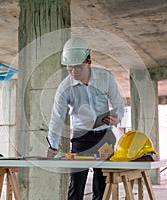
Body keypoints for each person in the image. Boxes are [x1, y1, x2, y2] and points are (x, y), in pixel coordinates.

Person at [47, 37, 125, 200]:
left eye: (78, 68)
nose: (74, 72)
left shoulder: (105, 77)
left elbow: (118, 103)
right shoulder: (64, 88)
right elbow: (57, 118)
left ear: (88, 61)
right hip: (81, 138)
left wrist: (116, 118)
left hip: (105, 137)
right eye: (69, 68)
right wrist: (53, 146)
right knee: (76, 184)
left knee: (101, 184)